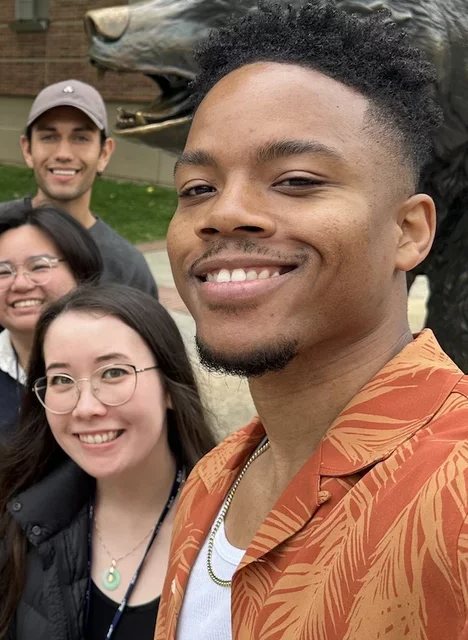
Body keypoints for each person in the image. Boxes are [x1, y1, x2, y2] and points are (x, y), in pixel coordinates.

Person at [156, 4, 468, 639]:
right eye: (197, 188)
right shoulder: (208, 484)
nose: (224, 213)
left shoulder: (456, 495)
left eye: (296, 180)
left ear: (409, 231)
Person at [0, 284, 216, 639]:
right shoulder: (21, 526)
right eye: (62, 380)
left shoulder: (236, 530)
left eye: (113, 373)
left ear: (169, 386)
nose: (86, 408)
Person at [0, 79, 158, 347]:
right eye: (49, 137)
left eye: (81, 138)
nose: (63, 153)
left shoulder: (128, 268)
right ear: (27, 149)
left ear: (104, 153)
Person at [0, 205, 103, 437]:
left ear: (80, 273)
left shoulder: (119, 363)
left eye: (39, 266)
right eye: (2, 272)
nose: (20, 284)